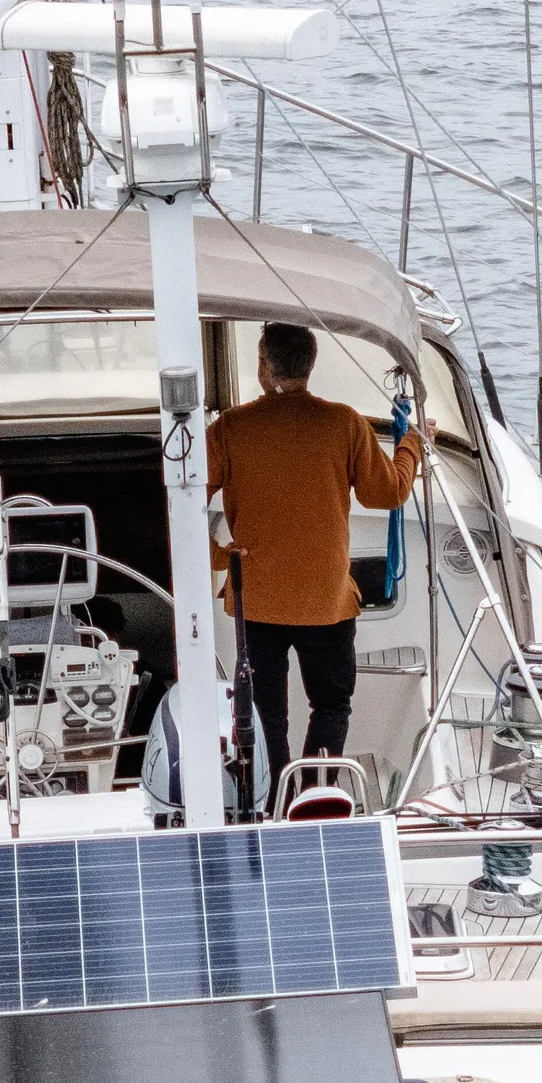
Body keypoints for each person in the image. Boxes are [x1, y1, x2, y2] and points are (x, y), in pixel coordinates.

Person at [207, 319, 423, 801]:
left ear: (264, 365)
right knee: (330, 704)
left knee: (267, 713)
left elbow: (177, 495)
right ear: (310, 365)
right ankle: (312, 792)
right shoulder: (343, 422)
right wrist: (412, 445)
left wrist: (219, 555)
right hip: (327, 602)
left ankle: (275, 798)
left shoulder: (231, 428)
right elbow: (387, 492)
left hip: (257, 599)